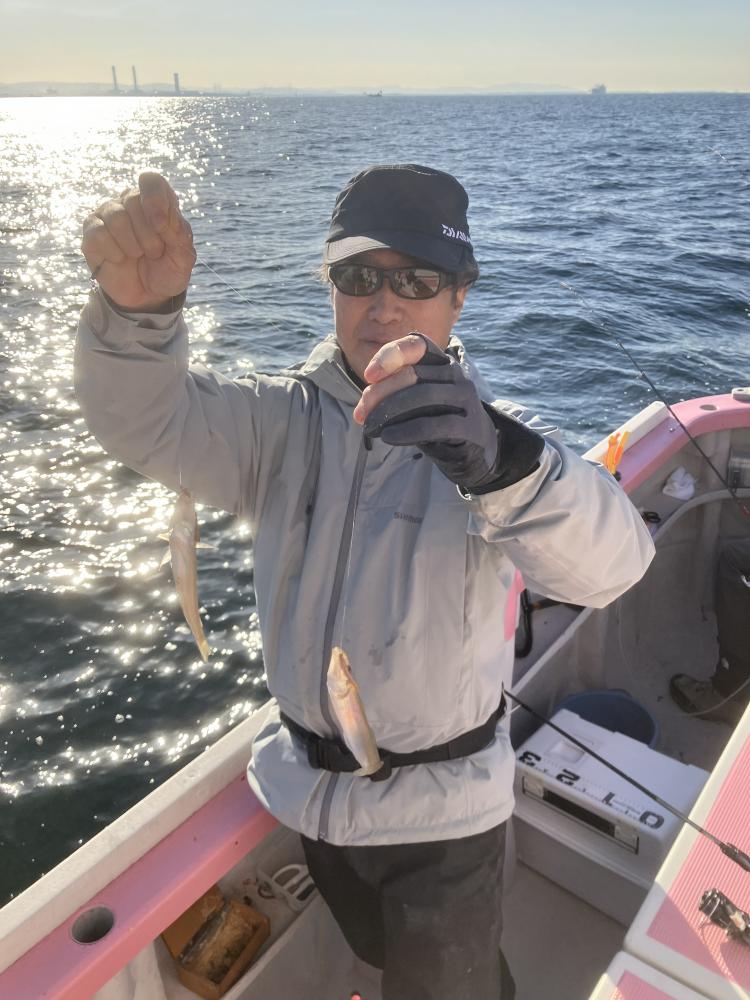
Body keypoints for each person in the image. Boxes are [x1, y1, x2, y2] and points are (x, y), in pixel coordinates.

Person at [76, 164, 655, 999]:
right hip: (309, 795)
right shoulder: (277, 420)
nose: (383, 304)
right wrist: (137, 319)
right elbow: (149, 423)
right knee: (382, 960)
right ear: (331, 288)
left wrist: (502, 465)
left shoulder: (503, 443)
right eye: (358, 277)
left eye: (416, 280)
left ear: (460, 296)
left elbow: (614, 566)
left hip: (448, 823)